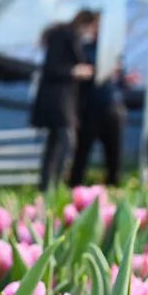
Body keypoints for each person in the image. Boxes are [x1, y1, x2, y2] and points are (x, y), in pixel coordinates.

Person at [33, 10, 98, 188]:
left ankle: (48, 186)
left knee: (55, 144)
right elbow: (51, 68)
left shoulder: (69, 37)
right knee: (64, 142)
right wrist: (74, 71)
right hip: (57, 101)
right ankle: (52, 186)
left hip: (64, 101)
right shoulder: (63, 36)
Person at [71, 61, 139, 186]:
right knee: (82, 154)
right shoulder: (85, 52)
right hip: (89, 109)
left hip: (114, 110)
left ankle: (113, 187)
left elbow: (121, 84)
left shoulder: (114, 57)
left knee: (114, 156)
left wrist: (126, 80)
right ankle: (75, 185)